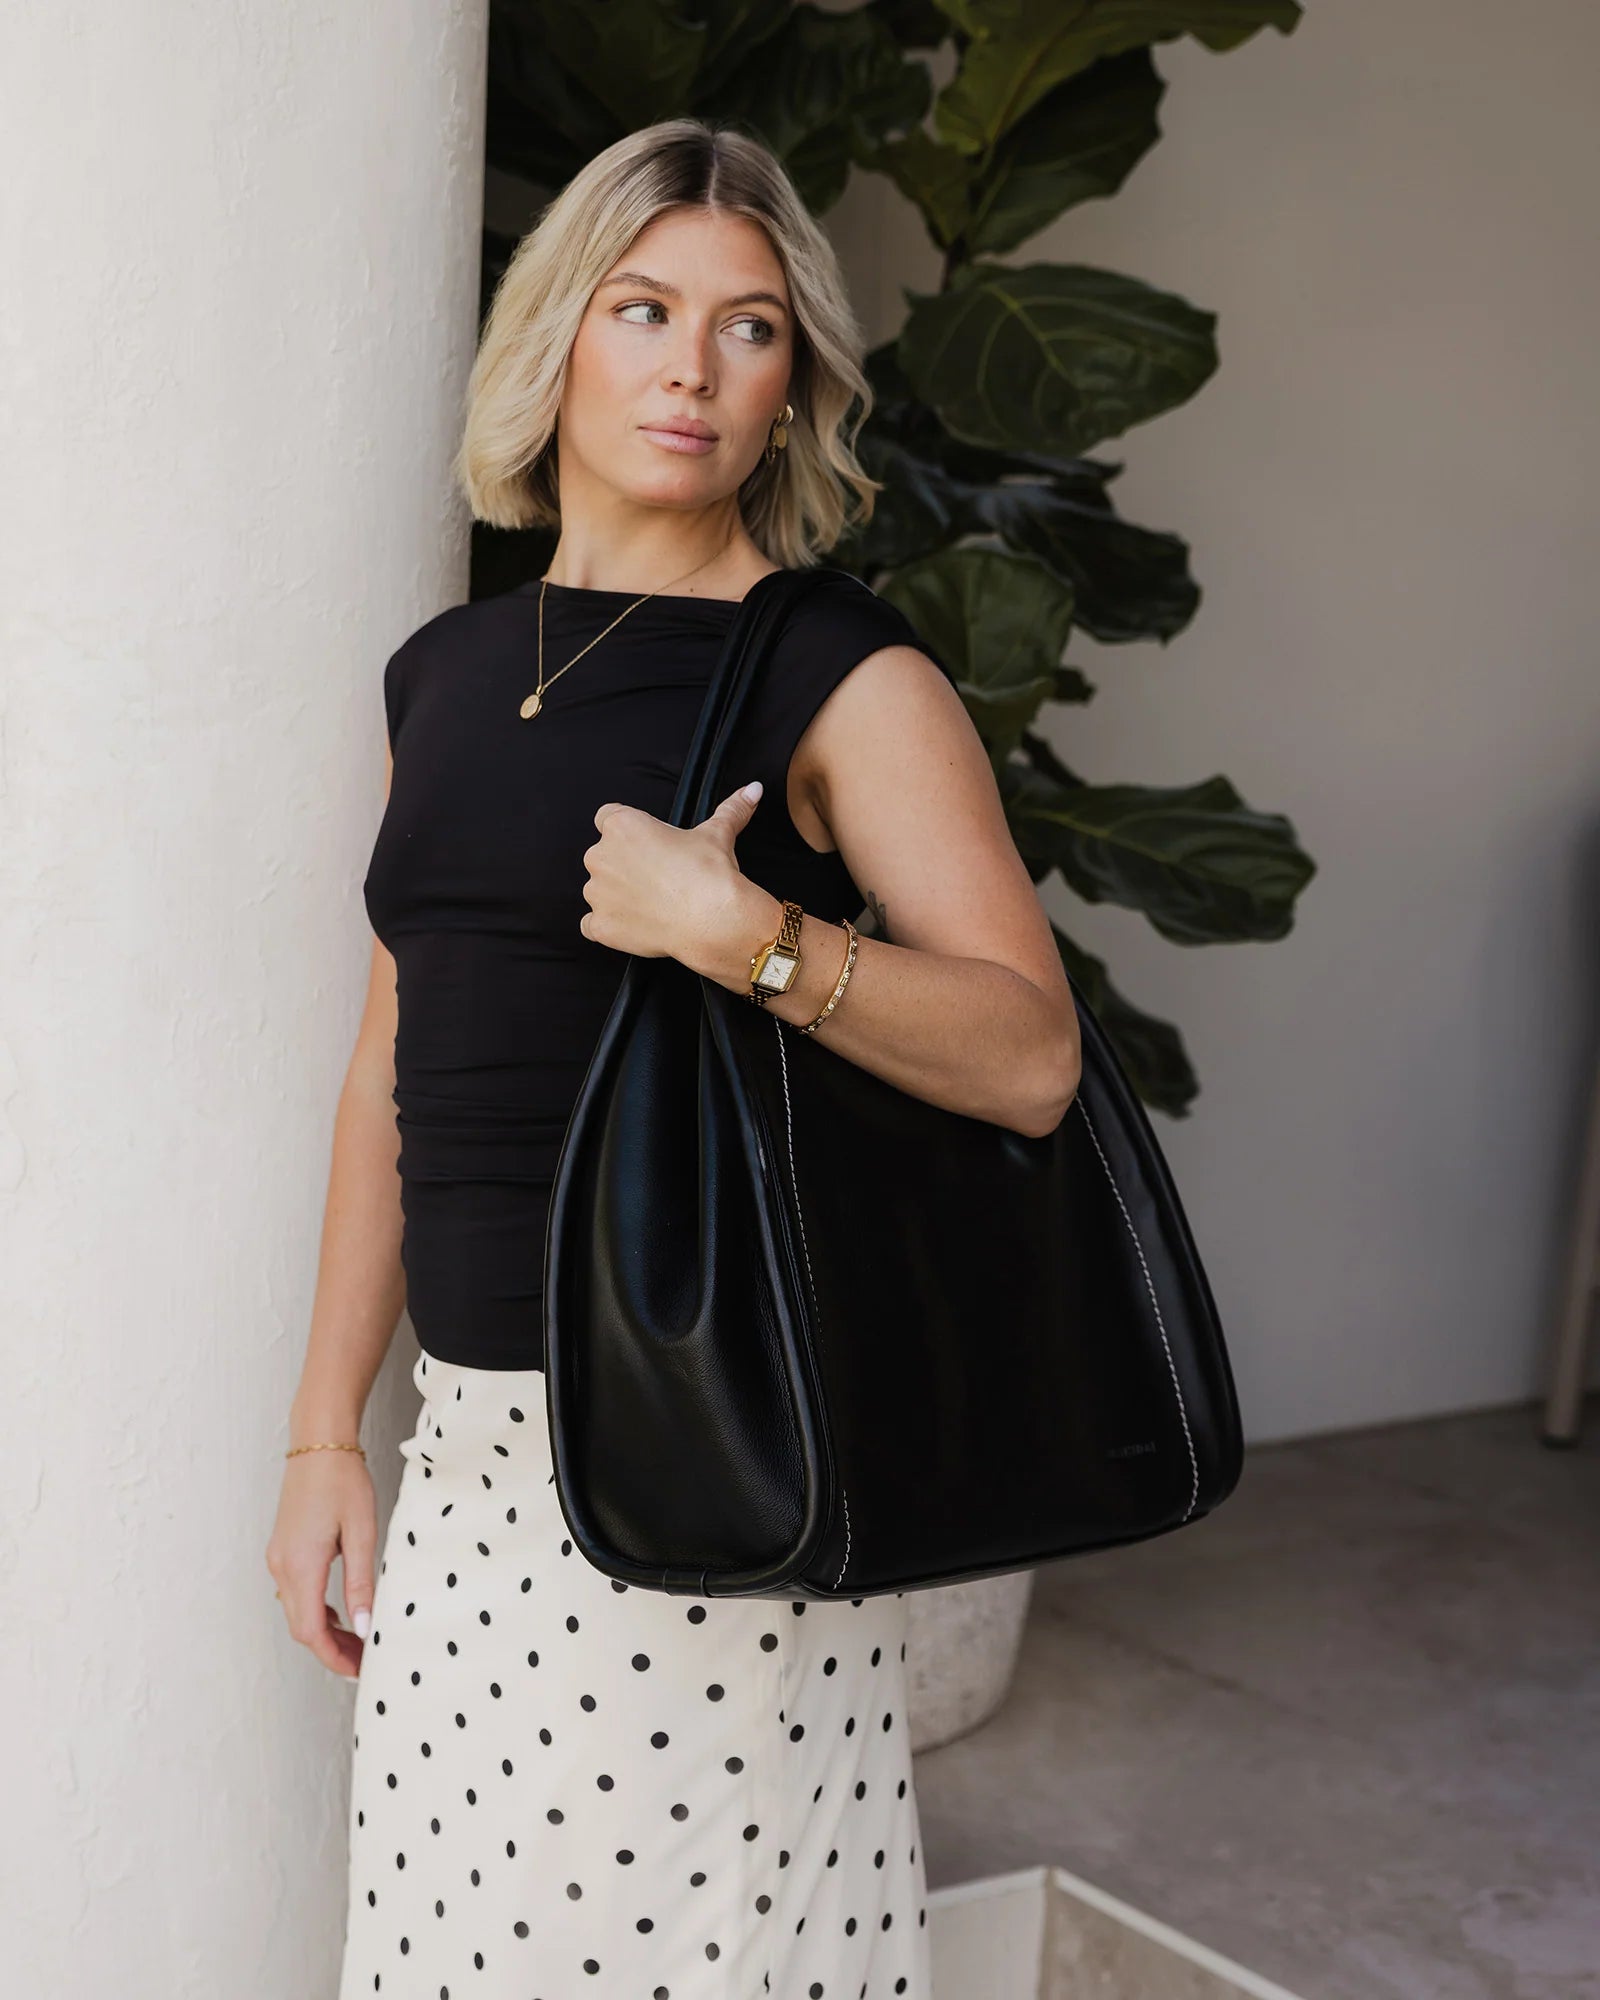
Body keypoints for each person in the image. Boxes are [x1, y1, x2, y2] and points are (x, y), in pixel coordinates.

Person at [266, 115, 1080, 2000]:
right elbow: (393, 1068)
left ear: (794, 386)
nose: (693, 368)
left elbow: (1033, 1056)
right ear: (559, 336)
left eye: (750, 327)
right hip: (470, 1479)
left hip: (706, 1459)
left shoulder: (838, 671)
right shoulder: (445, 674)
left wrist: (750, 939)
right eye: (644, 309)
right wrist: (325, 1433)